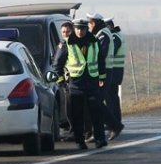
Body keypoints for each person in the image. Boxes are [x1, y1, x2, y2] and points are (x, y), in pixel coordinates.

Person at [51, 18, 107, 149]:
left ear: (87, 29)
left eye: (82, 28)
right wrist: (62, 82)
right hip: (75, 85)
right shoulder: (67, 44)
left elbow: (100, 61)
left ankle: (100, 139)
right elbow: (57, 65)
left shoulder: (94, 42)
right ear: (74, 29)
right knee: (77, 116)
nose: (80, 31)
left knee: (96, 113)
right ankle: (80, 141)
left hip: (92, 83)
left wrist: (102, 78)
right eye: (77, 28)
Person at [87, 12, 123, 140]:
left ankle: (114, 126)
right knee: (96, 102)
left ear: (94, 23)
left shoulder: (103, 35)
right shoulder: (101, 34)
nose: (88, 27)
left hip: (103, 72)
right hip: (103, 72)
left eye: (90, 24)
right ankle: (99, 130)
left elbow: (100, 54)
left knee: (96, 101)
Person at [105, 18, 126, 139]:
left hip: (114, 71)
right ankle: (114, 121)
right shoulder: (117, 35)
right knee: (112, 97)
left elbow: (110, 51)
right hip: (116, 70)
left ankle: (114, 122)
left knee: (110, 98)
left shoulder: (114, 37)